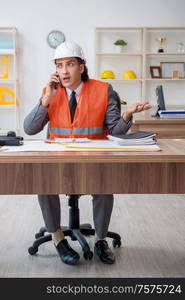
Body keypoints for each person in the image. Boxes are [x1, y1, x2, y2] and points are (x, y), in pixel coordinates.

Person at [24, 41, 151, 266]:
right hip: (58, 161)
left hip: (94, 159)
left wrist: (128, 114)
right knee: (43, 184)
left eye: (70, 64)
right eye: (59, 65)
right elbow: (29, 129)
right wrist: (45, 101)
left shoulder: (104, 90)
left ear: (81, 67)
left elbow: (116, 130)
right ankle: (58, 239)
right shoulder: (51, 93)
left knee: (104, 188)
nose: (64, 71)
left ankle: (101, 240)